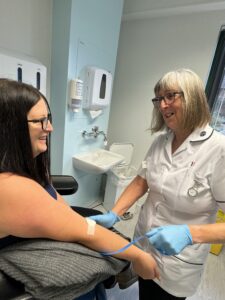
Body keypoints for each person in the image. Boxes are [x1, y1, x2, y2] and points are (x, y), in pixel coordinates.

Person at [0, 78, 159, 299]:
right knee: (97, 248)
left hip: (32, 233)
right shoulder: (11, 187)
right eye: (40, 121)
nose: (50, 127)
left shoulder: (25, 165)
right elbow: (86, 232)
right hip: (22, 251)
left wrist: (83, 222)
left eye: (49, 118)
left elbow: (62, 210)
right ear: (10, 127)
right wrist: (139, 257)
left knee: (93, 218)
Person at [90, 68, 225, 300]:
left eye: (170, 96)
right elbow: (142, 182)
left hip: (179, 260)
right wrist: (114, 213)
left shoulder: (218, 150)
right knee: (145, 291)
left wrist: (189, 233)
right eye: (159, 99)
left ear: (192, 97)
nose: (162, 105)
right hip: (145, 244)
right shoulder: (161, 141)